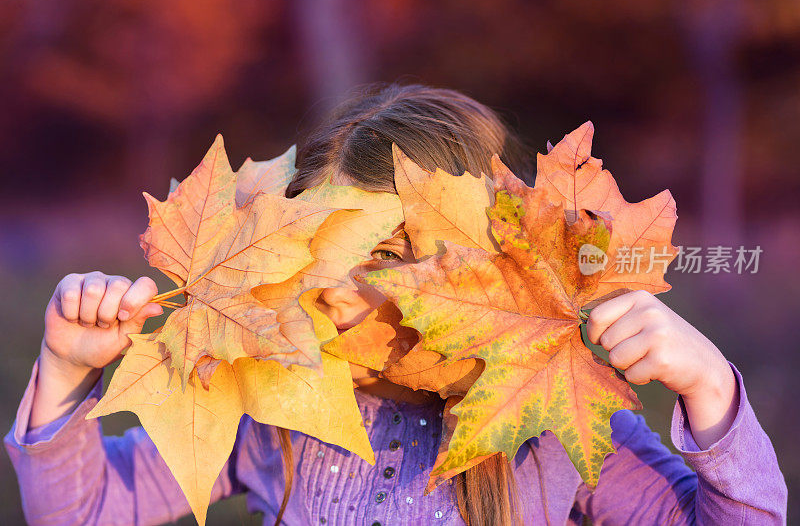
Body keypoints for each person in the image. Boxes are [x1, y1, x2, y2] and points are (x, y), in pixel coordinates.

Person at [4, 83, 787, 526]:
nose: (337, 285)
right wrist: (67, 371)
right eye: (320, 245)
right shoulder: (274, 403)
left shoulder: (545, 429)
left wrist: (711, 388)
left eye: (385, 256)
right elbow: (86, 511)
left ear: (482, 272)